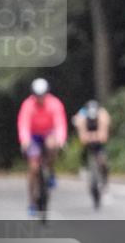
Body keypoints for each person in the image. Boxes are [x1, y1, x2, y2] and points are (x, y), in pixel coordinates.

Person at [17, 78, 67, 215]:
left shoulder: (55, 104)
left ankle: (50, 171)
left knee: (52, 144)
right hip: (33, 135)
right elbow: (23, 125)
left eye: (43, 95)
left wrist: (60, 139)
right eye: (38, 95)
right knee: (33, 168)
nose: (40, 98)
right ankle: (31, 202)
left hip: (48, 133)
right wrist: (25, 141)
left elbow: (60, 124)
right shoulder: (27, 105)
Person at [73, 99, 111, 190]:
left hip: (98, 140)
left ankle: (104, 178)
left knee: (103, 160)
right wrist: (89, 137)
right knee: (83, 149)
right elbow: (82, 136)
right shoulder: (82, 115)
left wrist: (95, 136)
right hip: (88, 136)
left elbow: (103, 136)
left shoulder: (103, 114)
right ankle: (83, 166)